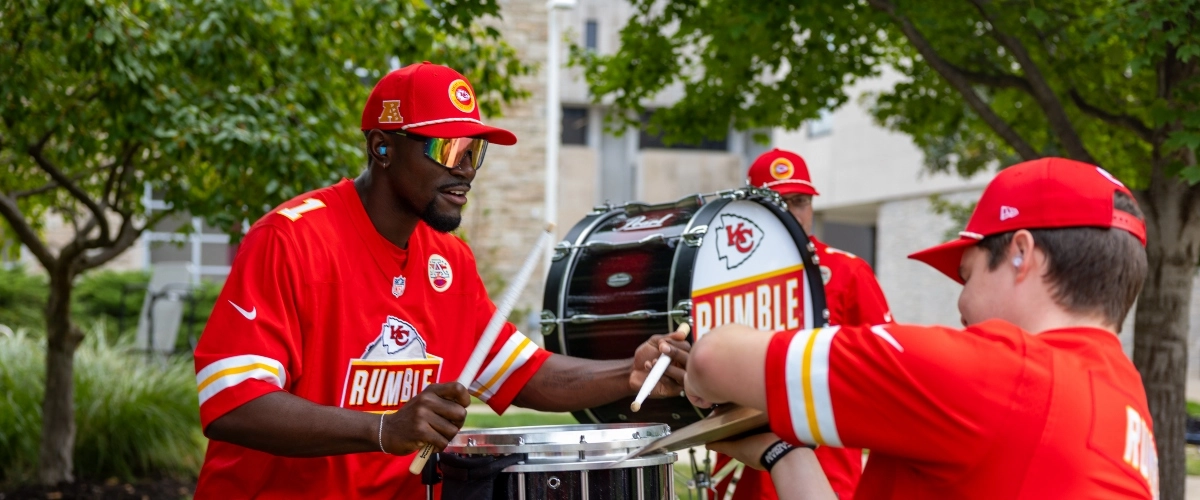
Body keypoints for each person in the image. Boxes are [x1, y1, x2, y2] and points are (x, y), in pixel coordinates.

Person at [191, 62, 689, 498]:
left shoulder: (450, 260)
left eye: (475, 151)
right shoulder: (290, 239)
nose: (467, 170)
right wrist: (383, 430)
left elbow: (523, 373)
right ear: (382, 148)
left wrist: (630, 370)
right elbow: (234, 403)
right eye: (448, 150)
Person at [686, 158, 1158, 499]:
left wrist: (695, 362)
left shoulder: (994, 373)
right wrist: (783, 455)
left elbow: (713, 359)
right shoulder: (1124, 397)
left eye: (968, 274)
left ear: (1020, 253)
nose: (961, 302)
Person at [711, 149, 892, 499]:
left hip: (826, 469)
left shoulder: (848, 271)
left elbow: (883, 369)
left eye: (799, 201)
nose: (791, 212)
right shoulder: (718, 277)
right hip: (742, 472)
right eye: (777, 202)